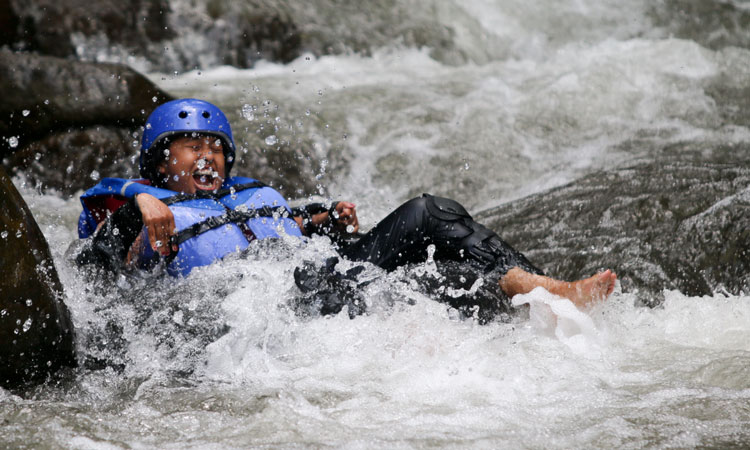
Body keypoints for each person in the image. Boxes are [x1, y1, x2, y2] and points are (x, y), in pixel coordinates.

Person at [76, 98, 616, 321]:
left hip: (314, 281)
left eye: (214, 145)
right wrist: (138, 211)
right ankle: (536, 298)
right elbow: (98, 277)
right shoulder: (138, 210)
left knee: (433, 218)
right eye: (190, 145)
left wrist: (327, 223)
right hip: (257, 311)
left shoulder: (255, 196)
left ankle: (543, 292)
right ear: (158, 160)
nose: (207, 155)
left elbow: (301, 239)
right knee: (422, 283)